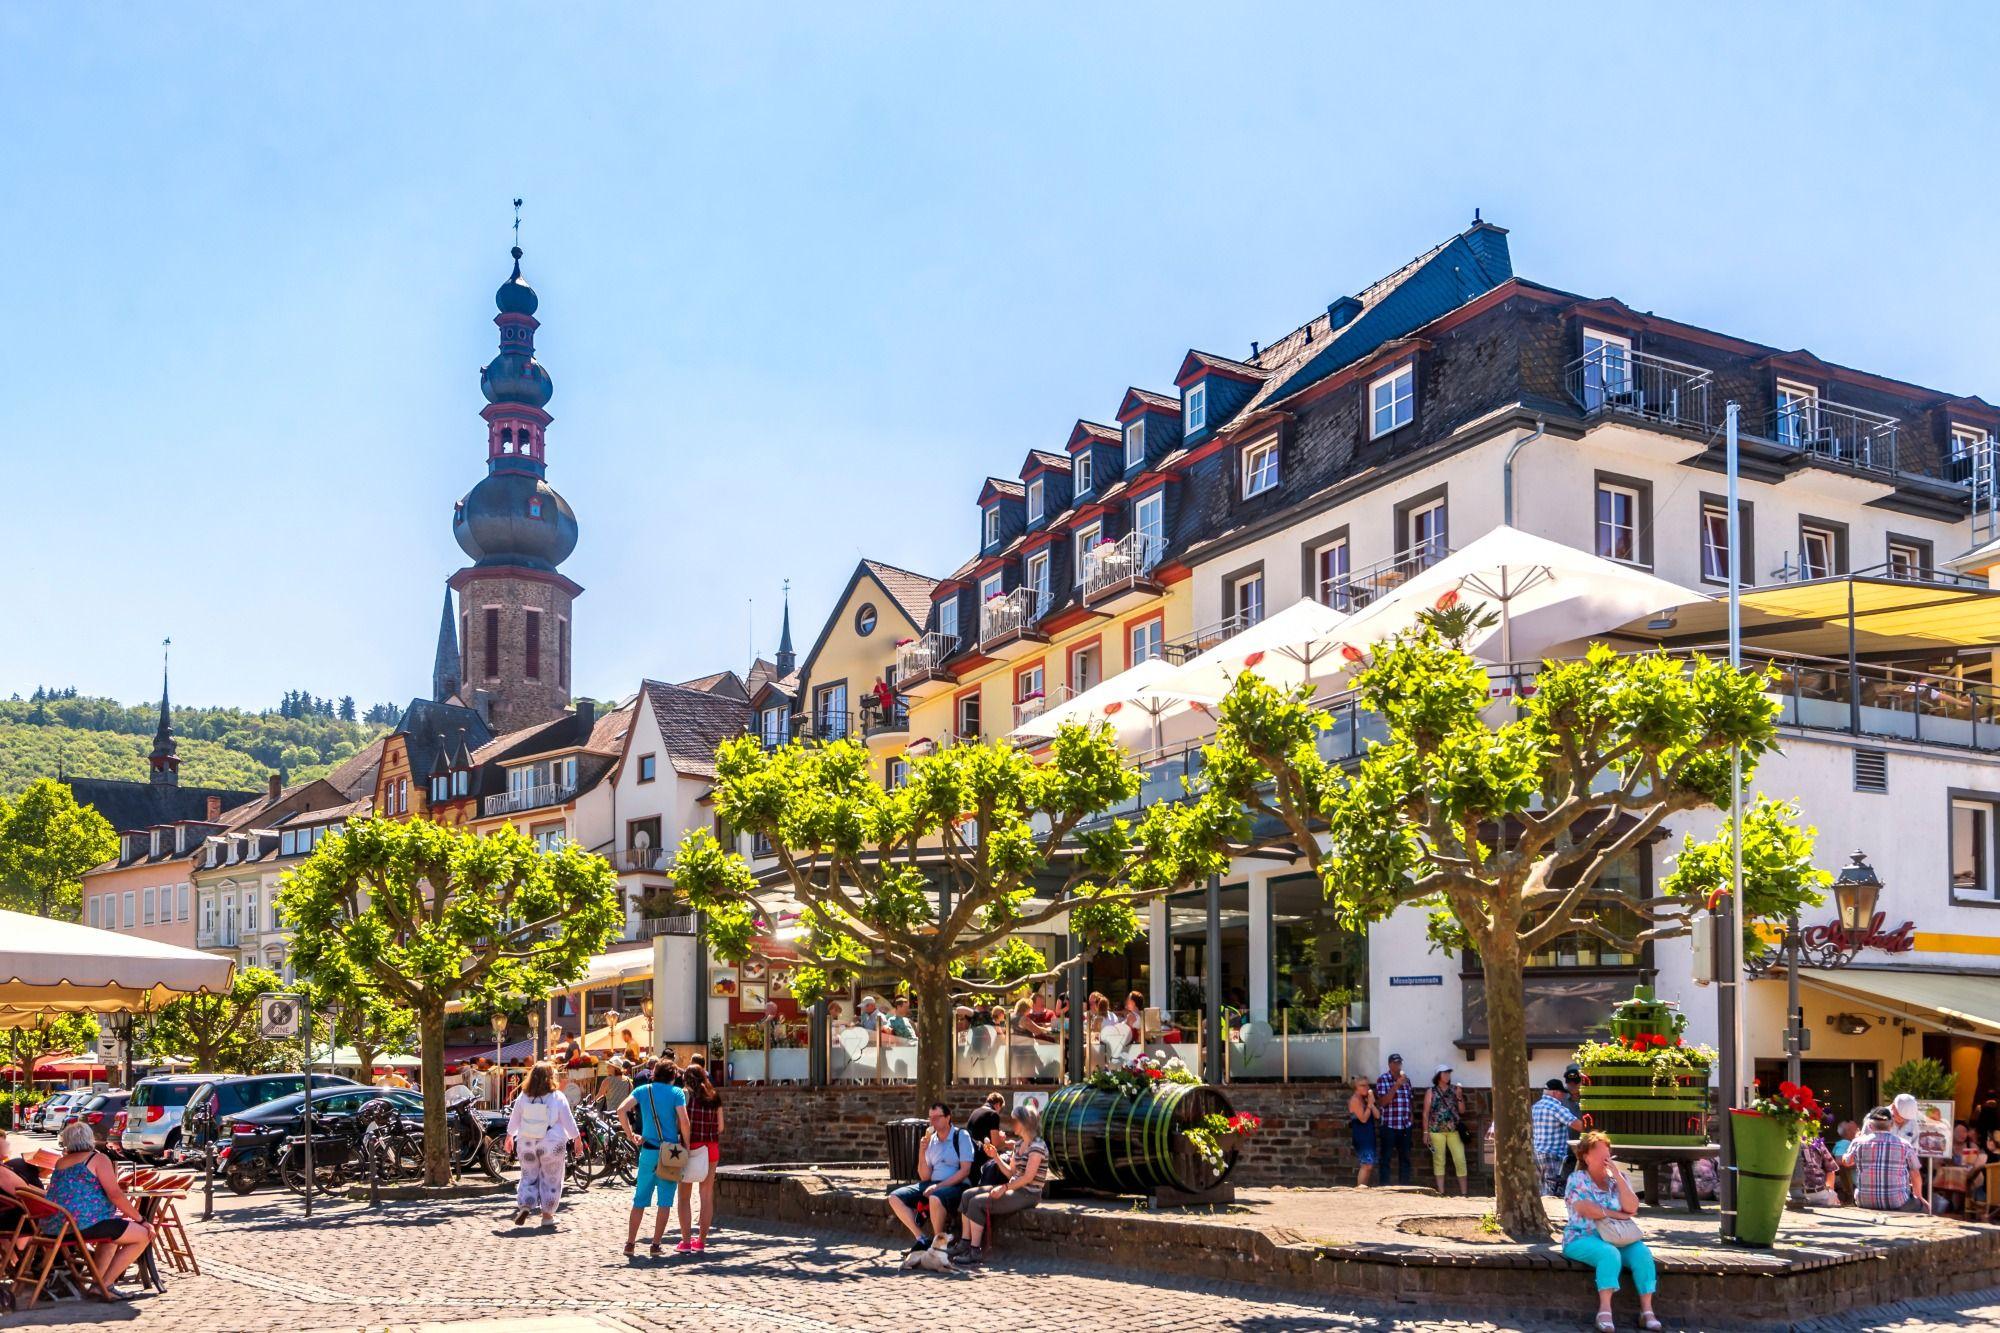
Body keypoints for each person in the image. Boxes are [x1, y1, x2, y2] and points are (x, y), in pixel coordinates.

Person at [41, 1121, 154, 1300]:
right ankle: (106, 1284)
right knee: (143, 1235)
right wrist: (141, 1220)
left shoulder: (61, 1162)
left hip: (56, 1226)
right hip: (84, 1224)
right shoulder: (97, 1159)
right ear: (90, 1139)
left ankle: (97, 1285)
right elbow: (115, 1194)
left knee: (110, 1237)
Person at [1562, 1131, 1662, 1333]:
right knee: (1609, 1254)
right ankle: (1604, 1311)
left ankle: (1647, 1311)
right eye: (1599, 1156)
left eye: (1607, 1156)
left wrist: (1617, 1175)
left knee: (1643, 1254)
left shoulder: (1618, 1179)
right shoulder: (1577, 1179)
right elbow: (1585, 1208)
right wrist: (1616, 1214)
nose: (1604, 1160)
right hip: (1582, 1237)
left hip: (1618, 1237)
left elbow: (1632, 1208)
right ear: (1586, 1157)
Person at [953, 1105, 1048, 1266]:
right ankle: (964, 1242)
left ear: (1024, 1122)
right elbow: (1011, 1173)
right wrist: (995, 1157)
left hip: (1028, 1193)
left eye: (1014, 1120)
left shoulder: (1037, 1146)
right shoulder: (1018, 1145)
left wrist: (1004, 1188)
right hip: (1014, 1188)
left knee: (977, 1202)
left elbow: (1028, 1177)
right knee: (967, 1195)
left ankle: (975, 1251)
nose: (1011, 1124)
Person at [619, 1056, 693, 1257]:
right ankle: (655, 1244)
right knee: (665, 1201)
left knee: (640, 1199)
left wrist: (630, 1134)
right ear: (673, 1076)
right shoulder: (677, 1093)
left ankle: (630, 1243)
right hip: (670, 1153)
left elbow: (621, 1110)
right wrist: (686, 1145)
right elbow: (684, 1122)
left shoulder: (643, 1090)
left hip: (648, 1151)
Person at [886, 1101, 974, 1262]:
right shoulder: (931, 1140)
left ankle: (938, 1245)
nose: (933, 1122)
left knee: (935, 1197)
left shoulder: (961, 1136)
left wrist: (938, 1186)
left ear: (948, 1118)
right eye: (930, 1118)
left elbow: (965, 1171)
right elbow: (925, 1176)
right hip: (932, 1182)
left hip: (957, 1184)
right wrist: (921, 1151)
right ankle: (922, 1238)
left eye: (937, 1118)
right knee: (894, 1197)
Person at [505, 1059, 583, 1227]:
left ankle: (525, 1204)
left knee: (528, 1175)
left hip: (526, 1142)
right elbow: (568, 1120)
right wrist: (577, 1139)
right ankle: (547, 1215)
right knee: (552, 1179)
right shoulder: (557, 1096)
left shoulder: (523, 1096)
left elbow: (515, 1120)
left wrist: (509, 1137)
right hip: (551, 1142)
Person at [677, 1064, 725, 1253]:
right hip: (711, 1148)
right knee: (706, 1196)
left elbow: (681, 1122)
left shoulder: (685, 1096)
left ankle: (686, 1241)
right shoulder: (714, 1097)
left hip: (690, 1148)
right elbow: (720, 1127)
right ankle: (701, 1241)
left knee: (684, 1197)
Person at [1852, 1109, 1927, 1213]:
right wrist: (1918, 1196)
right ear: (1891, 1125)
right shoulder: (1904, 1144)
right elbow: (1915, 1173)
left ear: (1870, 1126)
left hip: (1864, 1201)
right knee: (1922, 1207)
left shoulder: (1858, 1142)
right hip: (1897, 1203)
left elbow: (1847, 1162)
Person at [1423, 1064, 1469, 1196]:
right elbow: (1426, 1113)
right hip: (1436, 1130)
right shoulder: (1431, 1092)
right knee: (1439, 1160)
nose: (1448, 1075)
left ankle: (1464, 1193)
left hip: (1453, 1130)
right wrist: (1425, 1132)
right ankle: (1441, 1192)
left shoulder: (1455, 1090)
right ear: (1438, 1075)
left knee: (1460, 1159)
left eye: (1449, 1073)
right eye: (1445, 1073)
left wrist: (1459, 1097)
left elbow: (1462, 1111)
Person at [1532, 1077, 1580, 1197]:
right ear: (1555, 1092)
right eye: (1562, 1093)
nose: (1564, 1096)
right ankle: (1549, 1213)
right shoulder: (1555, 1107)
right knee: (1552, 1190)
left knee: (1541, 1188)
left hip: (1537, 1153)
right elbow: (1577, 1125)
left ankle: (1542, 1213)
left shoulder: (1535, 1107)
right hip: (1552, 1155)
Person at [1374, 1054, 1414, 1186]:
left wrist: (1411, 1121)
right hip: (1389, 1125)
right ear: (1390, 1064)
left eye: (1399, 1063)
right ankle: (1384, 1186)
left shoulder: (1407, 1081)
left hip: (1405, 1125)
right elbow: (1382, 1102)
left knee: (1405, 1158)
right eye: (1395, 1063)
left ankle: (1404, 1187)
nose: (1398, 1066)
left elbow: (1410, 1102)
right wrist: (1396, 1085)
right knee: (1386, 1158)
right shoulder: (1383, 1079)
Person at [966, 1093, 1009, 1186]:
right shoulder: (993, 1115)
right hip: (982, 1159)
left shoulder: (975, 1112)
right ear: (997, 1104)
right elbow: (996, 1144)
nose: (999, 1112)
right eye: (1000, 1109)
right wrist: (1008, 1143)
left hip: (969, 1156)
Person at [1347, 1076, 1379, 1187]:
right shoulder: (1355, 1100)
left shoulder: (1365, 1099)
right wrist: (1369, 1105)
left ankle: (1363, 1187)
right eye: (1362, 1085)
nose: (1366, 1087)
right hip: (1361, 1135)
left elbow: (1377, 1115)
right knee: (1366, 1164)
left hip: (1369, 1134)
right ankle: (1360, 1188)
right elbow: (1363, 1119)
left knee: (1369, 1165)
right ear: (1356, 1087)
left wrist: (1371, 1103)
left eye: (1367, 1085)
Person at [1798, 1131, 1840, 1208]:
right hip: (1820, 1194)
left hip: (1795, 1195)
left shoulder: (1790, 1141)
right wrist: (1831, 1192)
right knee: (1834, 1199)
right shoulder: (1816, 1142)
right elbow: (1831, 1170)